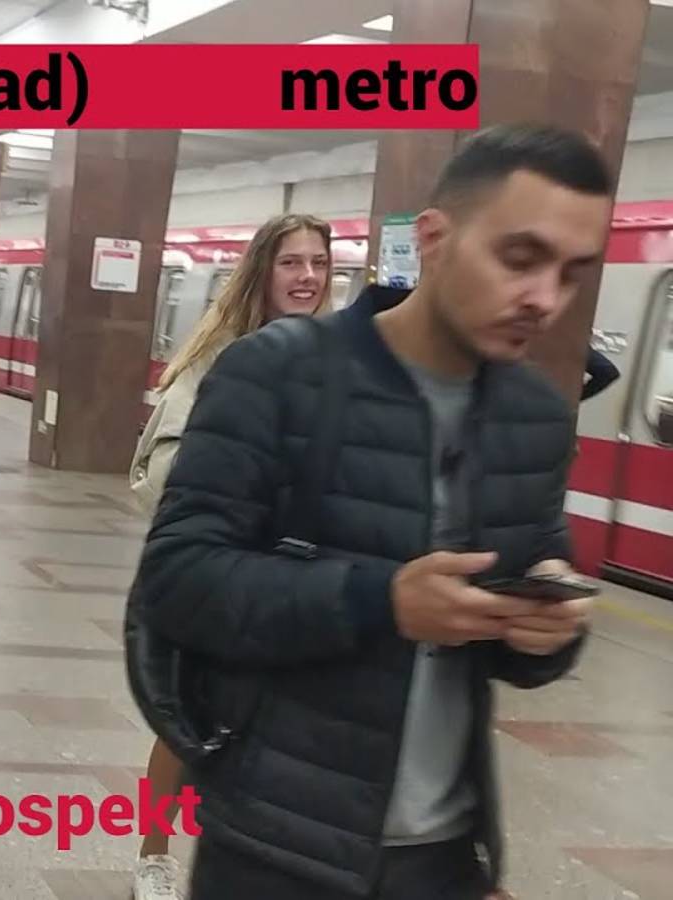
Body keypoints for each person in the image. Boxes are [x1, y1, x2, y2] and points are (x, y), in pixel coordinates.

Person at [133, 123, 605, 900]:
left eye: (572, 273)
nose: (545, 298)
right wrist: (380, 600)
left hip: (445, 855)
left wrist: (548, 631)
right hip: (276, 848)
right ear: (435, 239)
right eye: (520, 258)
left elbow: (526, 598)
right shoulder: (277, 374)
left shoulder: (534, 416)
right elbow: (178, 582)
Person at [125, 212, 334, 900]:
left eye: (318, 263)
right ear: (262, 271)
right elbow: (161, 466)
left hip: (295, 577)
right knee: (186, 716)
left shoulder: (340, 359)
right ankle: (153, 856)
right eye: (291, 262)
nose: (306, 277)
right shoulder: (219, 357)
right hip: (219, 569)